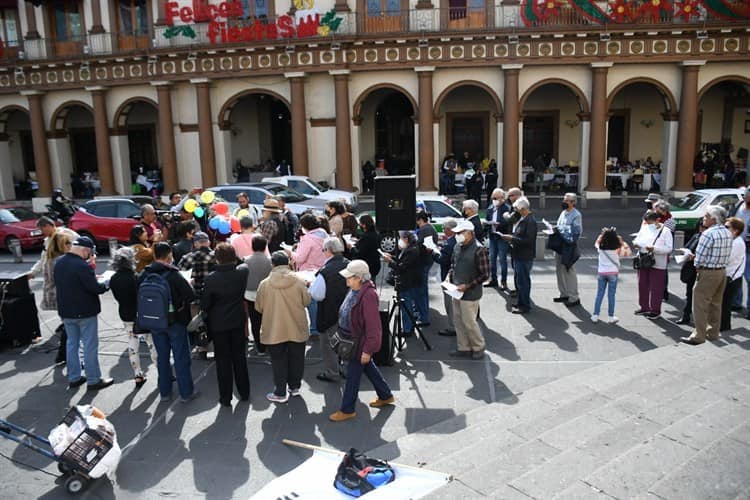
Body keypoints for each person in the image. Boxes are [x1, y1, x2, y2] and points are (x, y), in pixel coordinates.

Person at [329, 260, 395, 422]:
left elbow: (374, 326)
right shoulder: (356, 289)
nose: (347, 280)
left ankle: (347, 409)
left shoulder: (368, 295)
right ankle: (385, 395)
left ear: (359, 278)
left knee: (353, 376)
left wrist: (368, 350)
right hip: (352, 339)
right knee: (367, 367)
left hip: (358, 343)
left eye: (349, 277)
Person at [140, 242, 199, 402]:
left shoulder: (145, 274)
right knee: (181, 357)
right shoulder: (173, 274)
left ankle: (165, 392)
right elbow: (190, 296)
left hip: (155, 322)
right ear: (169, 256)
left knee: (162, 357)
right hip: (176, 321)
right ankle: (186, 392)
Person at [54, 236, 114, 391]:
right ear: (85, 250)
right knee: (89, 345)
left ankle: (74, 377)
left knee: (71, 344)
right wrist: (106, 282)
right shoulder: (82, 266)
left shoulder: (59, 262)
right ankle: (93, 379)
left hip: (66, 311)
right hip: (85, 311)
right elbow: (95, 288)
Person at [255, 251, 311, 403]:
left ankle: (280, 391)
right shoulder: (299, 281)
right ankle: (294, 387)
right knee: (297, 357)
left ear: (272, 264)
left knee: (278, 360)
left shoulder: (265, 284)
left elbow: (258, 307)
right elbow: (307, 301)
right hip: (297, 326)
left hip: (274, 327)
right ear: (288, 262)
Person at [202, 244, 251, 407]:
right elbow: (242, 263)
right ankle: (244, 392)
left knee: (223, 361)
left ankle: (225, 397)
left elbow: (206, 304)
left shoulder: (211, 278)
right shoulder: (241, 273)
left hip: (218, 324)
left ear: (217, 258)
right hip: (237, 320)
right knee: (239, 357)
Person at [681, 206, 733, 345]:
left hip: (708, 271)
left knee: (700, 303)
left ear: (713, 219)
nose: (704, 218)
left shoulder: (708, 233)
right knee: (716, 303)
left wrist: (698, 268)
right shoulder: (727, 232)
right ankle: (713, 332)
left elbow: (700, 256)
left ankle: (699, 335)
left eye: (706, 216)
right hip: (721, 271)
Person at [109, 247, 157, 389]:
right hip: (140, 313)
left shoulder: (114, 278)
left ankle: (137, 373)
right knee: (151, 342)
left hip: (125, 313)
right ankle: (160, 370)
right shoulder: (135, 277)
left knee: (132, 343)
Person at [447, 220, 490, 359]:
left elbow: (485, 275)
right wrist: (450, 276)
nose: (457, 235)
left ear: (469, 233)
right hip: (456, 290)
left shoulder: (479, 249)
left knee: (469, 322)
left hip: (470, 293)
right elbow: (453, 263)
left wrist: (468, 285)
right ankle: (463, 347)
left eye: (460, 233)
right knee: (458, 321)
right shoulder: (458, 246)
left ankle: (478, 346)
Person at [309, 237, 350, 382]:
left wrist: (311, 284)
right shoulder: (349, 264)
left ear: (328, 251)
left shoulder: (325, 271)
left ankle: (332, 372)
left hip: (330, 313)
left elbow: (317, 295)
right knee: (347, 341)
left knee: (328, 344)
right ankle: (346, 369)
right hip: (348, 311)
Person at [287, 213, 328, 336]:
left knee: (311, 301)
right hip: (322, 270)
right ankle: (320, 325)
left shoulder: (307, 239)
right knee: (321, 299)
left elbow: (299, 259)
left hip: (308, 273)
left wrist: (289, 252)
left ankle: (314, 328)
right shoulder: (323, 234)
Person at [632, 210, 673, 319]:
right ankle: (644, 307)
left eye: (650, 223)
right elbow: (637, 238)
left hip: (658, 262)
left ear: (657, 220)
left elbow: (669, 249)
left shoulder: (666, 231)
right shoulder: (645, 228)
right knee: (642, 284)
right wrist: (636, 243)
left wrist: (654, 249)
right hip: (644, 259)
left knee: (656, 287)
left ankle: (655, 310)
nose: (648, 225)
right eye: (647, 222)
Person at [382, 231, 423, 335]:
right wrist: (392, 258)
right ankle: (408, 327)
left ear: (406, 239)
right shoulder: (410, 249)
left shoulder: (412, 250)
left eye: (401, 238)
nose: (399, 241)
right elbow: (402, 261)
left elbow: (402, 266)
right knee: (406, 305)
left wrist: (390, 262)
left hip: (406, 281)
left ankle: (407, 329)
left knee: (406, 306)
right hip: (407, 280)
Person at [502, 197, 537, 314]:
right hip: (518, 254)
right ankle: (521, 302)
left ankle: (525, 305)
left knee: (523, 282)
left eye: (517, 209)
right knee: (520, 281)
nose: (515, 211)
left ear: (523, 209)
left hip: (524, 256)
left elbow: (528, 240)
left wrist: (512, 238)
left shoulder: (530, 221)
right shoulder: (524, 219)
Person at [591, 227, 628, 324]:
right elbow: (627, 252)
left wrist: (602, 234)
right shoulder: (617, 248)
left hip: (601, 273)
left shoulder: (600, 247)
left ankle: (595, 315)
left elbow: (596, 242)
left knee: (599, 294)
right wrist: (620, 240)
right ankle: (611, 317)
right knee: (611, 295)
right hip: (613, 273)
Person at [552, 193, 583, 307]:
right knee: (559, 270)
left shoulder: (576, 215)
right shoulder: (563, 212)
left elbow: (576, 232)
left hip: (568, 246)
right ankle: (564, 294)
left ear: (573, 203)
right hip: (559, 245)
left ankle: (574, 297)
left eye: (567, 201)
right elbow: (561, 226)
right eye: (564, 200)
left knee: (568, 270)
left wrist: (560, 230)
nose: (564, 202)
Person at [243, 236, 272, 355]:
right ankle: (269, 342)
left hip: (249, 294)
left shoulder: (246, 260)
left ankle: (260, 347)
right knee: (267, 319)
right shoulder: (270, 260)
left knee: (255, 321)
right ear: (265, 246)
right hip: (266, 294)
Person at [675, 221, 705, 325]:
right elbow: (687, 246)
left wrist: (694, 256)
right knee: (689, 293)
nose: (701, 229)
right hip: (690, 267)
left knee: (697, 295)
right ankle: (686, 316)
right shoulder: (696, 236)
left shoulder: (706, 238)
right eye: (701, 227)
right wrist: (685, 251)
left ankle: (695, 318)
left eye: (704, 227)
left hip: (699, 269)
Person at [720, 217, 746, 332]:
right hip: (728, 276)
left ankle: (724, 328)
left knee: (725, 305)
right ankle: (723, 327)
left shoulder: (737, 243)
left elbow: (726, 259)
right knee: (723, 304)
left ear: (735, 230)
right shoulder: (733, 241)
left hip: (731, 278)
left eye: (727, 227)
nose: (724, 229)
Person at [434, 219, 458, 337]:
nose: (443, 231)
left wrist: (433, 253)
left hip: (449, 277)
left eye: (444, 229)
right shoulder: (454, 240)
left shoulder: (450, 244)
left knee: (450, 304)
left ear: (450, 230)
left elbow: (442, 260)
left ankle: (453, 327)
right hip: (454, 277)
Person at [484, 189, 511, 290]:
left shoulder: (507, 208)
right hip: (492, 236)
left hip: (502, 237)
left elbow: (509, 222)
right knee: (492, 259)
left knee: (502, 260)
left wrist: (499, 224)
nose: (494, 200)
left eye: (496, 198)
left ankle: (503, 281)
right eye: (493, 198)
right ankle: (493, 279)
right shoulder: (490, 208)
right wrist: (486, 223)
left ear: (502, 198)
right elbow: (487, 219)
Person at [415, 211, 437, 327]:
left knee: (421, 291)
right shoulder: (430, 228)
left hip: (423, 261)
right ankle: (423, 314)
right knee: (423, 289)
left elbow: (421, 247)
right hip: (428, 261)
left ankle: (424, 317)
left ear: (420, 220)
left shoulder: (424, 230)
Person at [178, 231, 215, 297]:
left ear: (195, 244)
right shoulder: (216, 256)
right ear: (209, 243)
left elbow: (180, 277)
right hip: (212, 295)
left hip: (193, 296)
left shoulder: (186, 258)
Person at [734, 187, 750, 319]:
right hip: (737, 246)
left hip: (749, 249)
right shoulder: (739, 205)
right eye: (745, 194)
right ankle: (736, 302)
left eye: (748, 195)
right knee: (736, 275)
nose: (745, 196)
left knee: (749, 279)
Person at [350, 214, 381, 280]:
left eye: (360, 224)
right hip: (375, 265)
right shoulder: (376, 234)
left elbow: (359, 253)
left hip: (367, 266)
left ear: (364, 225)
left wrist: (351, 247)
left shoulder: (366, 236)